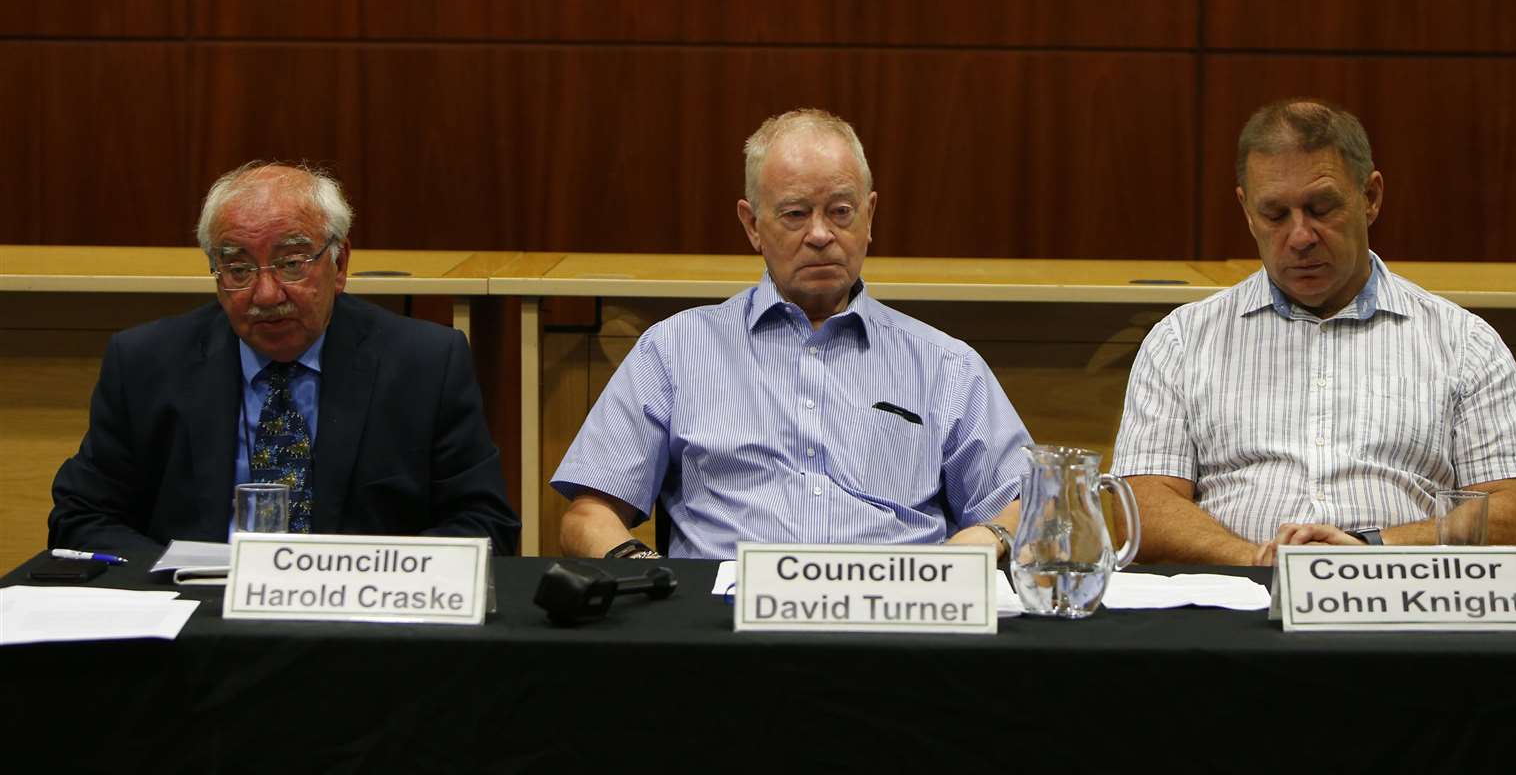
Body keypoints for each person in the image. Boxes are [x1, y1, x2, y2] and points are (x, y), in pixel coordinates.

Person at [552, 109, 1031, 561]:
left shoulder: (945, 365)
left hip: (895, 617)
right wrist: (651, 572)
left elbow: (1027, 500)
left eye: (841, 211)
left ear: (870, 218)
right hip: (726, 622)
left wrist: (989, 538)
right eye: (796, 214)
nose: (821, 234)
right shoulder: (674, 351)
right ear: (752, 225)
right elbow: (588, 516)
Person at [1110, 99, 1516, 565]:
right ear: (1246, 210)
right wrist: (1255, 559)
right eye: (1275, 214)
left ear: (1371, 197)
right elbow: (1139, 508)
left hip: (1401, 600)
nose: (1300, 236)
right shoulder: (1181, 342)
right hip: (1236, 602)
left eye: (1321, 208)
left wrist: (1370, 549)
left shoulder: (1464, 343)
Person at [49, 162, 520, 557]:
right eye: (238, 268)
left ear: (340, 263)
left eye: (292, 263)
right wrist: (172, 575)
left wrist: (369, 576)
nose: (266, 293)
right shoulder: (146, 363)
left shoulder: (424, 363)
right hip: (196, 626)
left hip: (362, 626)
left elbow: (485, 525)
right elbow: (81, 517)